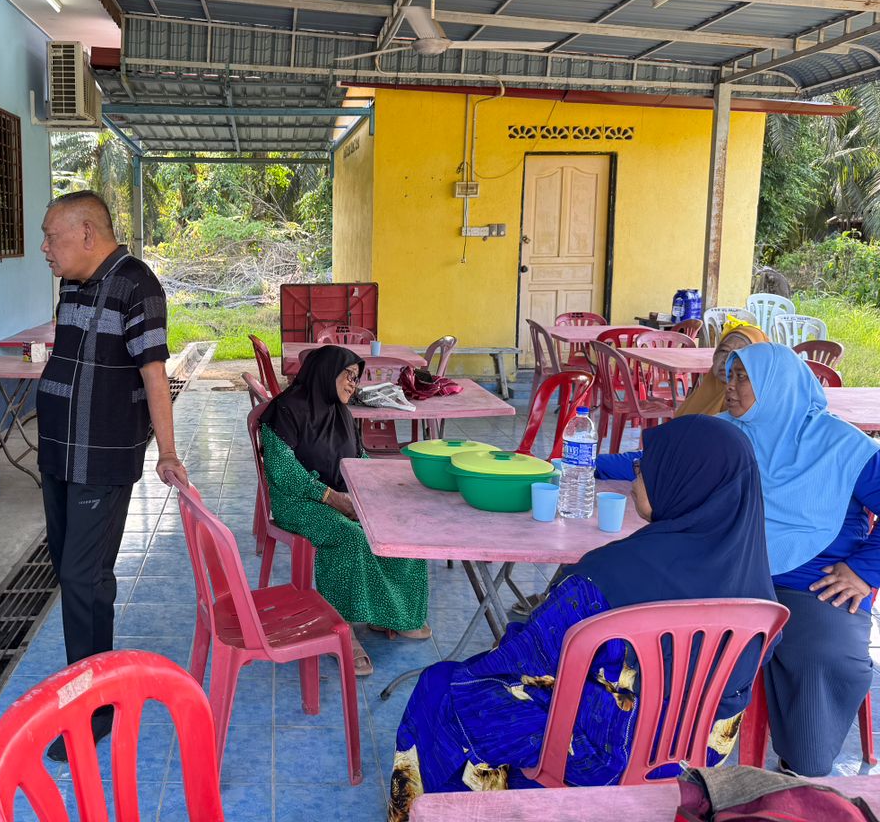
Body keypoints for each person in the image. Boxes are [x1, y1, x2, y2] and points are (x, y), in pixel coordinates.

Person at [388, 415, 776, 820]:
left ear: (683, 482)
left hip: (600, 756)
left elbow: (528, 658)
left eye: (646, 467)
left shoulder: (606, 574)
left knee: (443, 686)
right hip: (693, 758)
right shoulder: (758, 590)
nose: (636, 475)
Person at [36, 191, 187, 761]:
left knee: (83, 577)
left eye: (51, 236)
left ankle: (91, 711)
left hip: (101, 458)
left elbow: (154, 373)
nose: (45, 248)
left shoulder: (136, 285)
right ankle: (93, 685)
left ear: (87, 234)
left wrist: (167, 452)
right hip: (58, 453)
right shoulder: (73, 284)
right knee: (75, 575)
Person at [722, 343, 880, 776]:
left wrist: (865, 571)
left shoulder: (844, 447)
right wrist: (579, 463)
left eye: (742, 378)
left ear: (778, 385)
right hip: (735, 573)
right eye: (729, 376)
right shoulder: (726, 433)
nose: (730, 387)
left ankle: (800, 769)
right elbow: (657, 462)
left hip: (815, 583)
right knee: (665, 629)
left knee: (823, 654)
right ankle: (661, 752)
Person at [261, 345, 429, 677]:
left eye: (356, 377)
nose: (353, 384)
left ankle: (393, 614)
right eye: (348, 375)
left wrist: (376, 486)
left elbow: (358, 458)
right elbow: (283, 472)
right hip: (299, 502)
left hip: (341, 495)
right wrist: (331, 497)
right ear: (325, 373)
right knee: (349, 537)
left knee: (399, 524)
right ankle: (340, 632)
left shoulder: (343, 414)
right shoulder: (285, 411)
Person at [594, 319, 768, 481]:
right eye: (723, 351)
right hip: (660, 459)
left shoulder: (747, 410)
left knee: (595, 467)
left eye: (739, 355)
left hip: (674, 472)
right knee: (588, 463)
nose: (726, 360)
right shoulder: (707, 391)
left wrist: (646, 466)